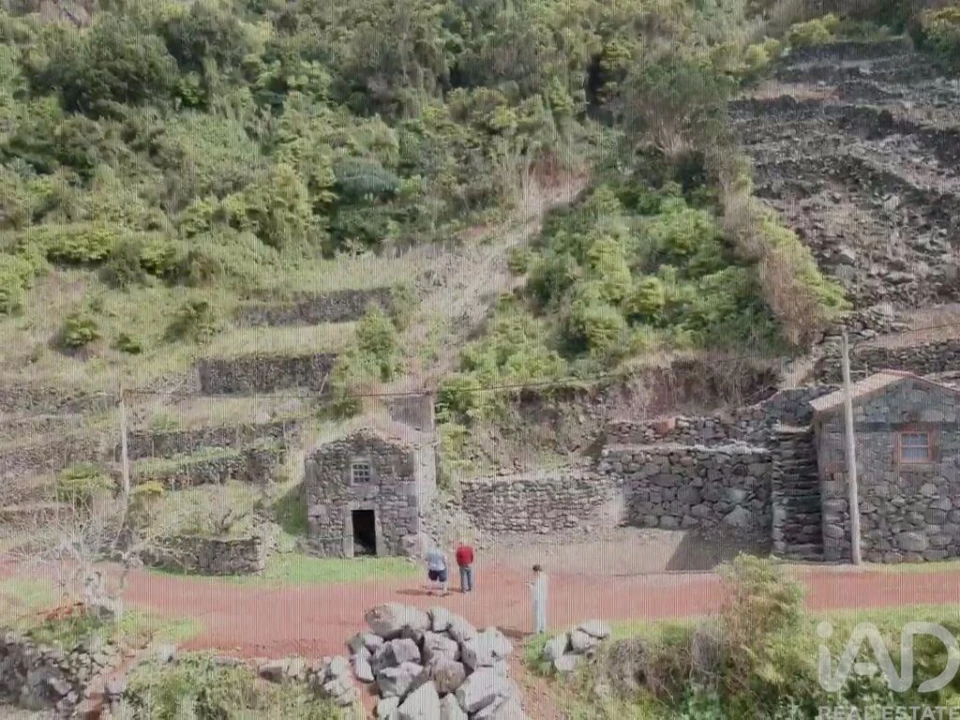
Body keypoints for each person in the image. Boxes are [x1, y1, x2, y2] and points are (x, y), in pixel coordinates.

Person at [527, 564, 548, 634]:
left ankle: (537, 631)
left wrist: (530, 586)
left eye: (534, 572)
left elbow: (537, 589)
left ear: (537, 571)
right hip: (542, 598)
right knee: (542, 614)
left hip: (539, 598)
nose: (534, 574)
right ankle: (543, 629)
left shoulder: (540, 578)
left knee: (537, 614)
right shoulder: (544, 576)